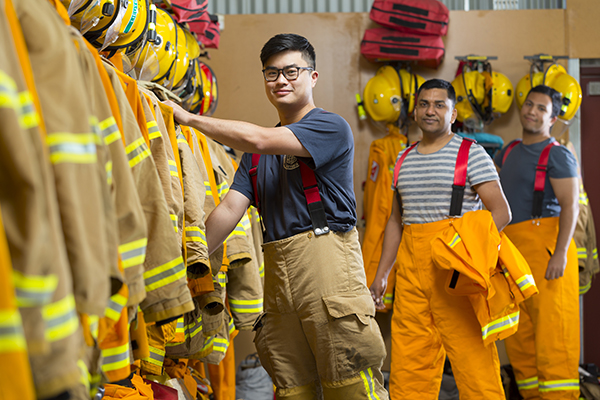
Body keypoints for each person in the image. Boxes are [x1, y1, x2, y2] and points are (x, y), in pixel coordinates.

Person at [165, 33, 388, 400]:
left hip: (328, 267)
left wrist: (189, 119)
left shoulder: (330, 128)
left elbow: (260, 140)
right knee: (292, 386)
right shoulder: (255, 158)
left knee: (348, 383)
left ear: (312, 77)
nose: (281, 81)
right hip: (279, 279)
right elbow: (228, 210)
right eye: (272, 74)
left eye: (291, 71)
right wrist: (187, 260)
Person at [370, 79, 512, 399]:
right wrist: (382, 275)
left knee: (473, 361)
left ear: (453, 113)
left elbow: (502, 212)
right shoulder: (402, 159)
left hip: (455, 271)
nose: (430, 110)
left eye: (439, 105)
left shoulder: (470, 154)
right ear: (415, 110)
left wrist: (468, 257)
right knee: (409, 363)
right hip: (410, 273)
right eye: (424, 104)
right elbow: (395, 220)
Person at [494, 85, 580, 399]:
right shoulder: (509, 150)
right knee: (521, 335)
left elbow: (571, 206)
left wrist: (560, 254)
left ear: (553, 118)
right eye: (529, 104)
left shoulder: (557, 154)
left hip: (547, 252)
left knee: (553, 333)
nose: (532, 111)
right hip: (514, 252)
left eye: (541, 108)